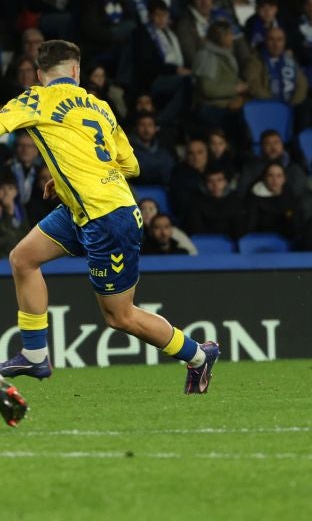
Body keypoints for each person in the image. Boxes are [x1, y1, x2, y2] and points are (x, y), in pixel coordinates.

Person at [0, 40, 219, 393]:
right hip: (85, 208)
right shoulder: (99, 106)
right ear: (76, 72)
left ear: (40, 76)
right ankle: (34, 354)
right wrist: (69, 175)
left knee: (120, 316)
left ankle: (198, 355)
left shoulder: (36, 99)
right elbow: (130, 165)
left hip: (108, 218)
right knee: (23, 258)